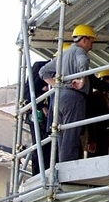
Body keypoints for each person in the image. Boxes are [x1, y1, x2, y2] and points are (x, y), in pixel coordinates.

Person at [39, 24, 100, 162]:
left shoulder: (63, 54)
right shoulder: (79, 51)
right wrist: (82, 80)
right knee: (71, 134)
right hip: (74, 97)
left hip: (59, 98)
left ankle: (61, 166)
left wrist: (56, 85)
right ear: (84, 40)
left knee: (61, 134)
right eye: (91, 41)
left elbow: (43, 72)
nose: (91, 45)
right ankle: (67, 170)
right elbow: (83, 63)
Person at [22, 60, 51, 175]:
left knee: (48, 147)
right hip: (37, 116)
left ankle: (46, 174)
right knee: (40, 147)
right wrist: (42, 106)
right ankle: (38, 176)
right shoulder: (40, 68)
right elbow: (28, 94)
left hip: (47, 116)